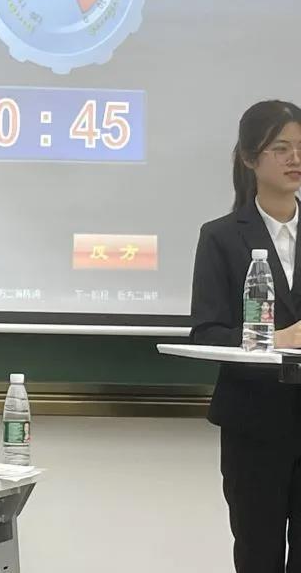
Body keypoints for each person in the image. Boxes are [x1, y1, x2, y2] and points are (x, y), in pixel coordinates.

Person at [190, 99, 301, 572]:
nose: (294, 158)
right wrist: (278, 338)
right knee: (259, 556)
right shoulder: (221, 236)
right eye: (281, 148)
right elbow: (207, 333)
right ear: (250, 157)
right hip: (254, 425)